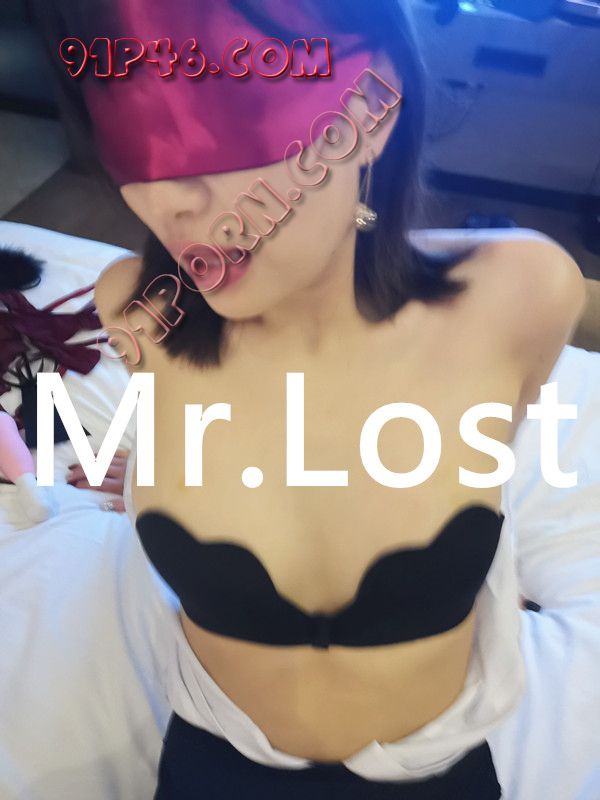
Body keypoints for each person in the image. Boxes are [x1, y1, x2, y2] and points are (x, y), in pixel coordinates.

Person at [34, 1, 587, 797]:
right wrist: (166, 481)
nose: (167, 200)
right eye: (125, 126)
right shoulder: (138, 310)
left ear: (367, 110)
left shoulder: (524, 294)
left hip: (432, 767)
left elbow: (485, 446)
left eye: (225, 108)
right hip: (218, 757)